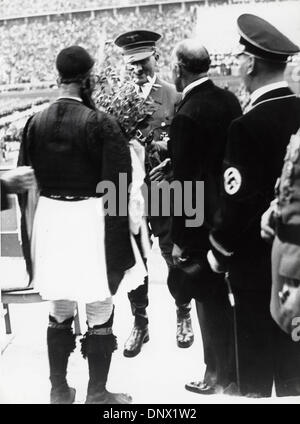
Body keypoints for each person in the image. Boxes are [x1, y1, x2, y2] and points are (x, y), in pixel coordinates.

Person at [17, 45, 147, 404]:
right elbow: (119, 190)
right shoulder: (101, 123)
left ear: (59, 77)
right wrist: (126, 241)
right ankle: (98, 392)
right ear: (88, 79)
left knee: (59, 307)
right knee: (99, 305)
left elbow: (27, 184)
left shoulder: (34, 123)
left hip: (51, 219)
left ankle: (59, 390)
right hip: (91, 220)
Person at [208, 14, 300, 397]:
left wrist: (219, 250)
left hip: (254, 267)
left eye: (241, 57)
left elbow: (237, 204)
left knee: (257, 381)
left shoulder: (245, 126)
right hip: (296, 262)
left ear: (251, 64)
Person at [114, 30, 194, 357]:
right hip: (127, 188)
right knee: (134, 257)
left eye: (143, 61)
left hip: (167, 186)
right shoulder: (115, 98)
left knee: (173, 251)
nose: (137, 69)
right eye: (131, 63)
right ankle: (140, 321)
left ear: (156, 59)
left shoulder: (175, 96)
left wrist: (173, 159)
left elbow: (191, 144)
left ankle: (183, 312)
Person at [169, 38, 242, 394]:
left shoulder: (186, 114)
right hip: (233, 213)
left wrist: (181, 240)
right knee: (230, 299)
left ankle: (214, 374)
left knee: (207, 299)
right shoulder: (228, 100)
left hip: (200, 223)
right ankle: (233, 369)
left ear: (179, 69)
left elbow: (184, 185)